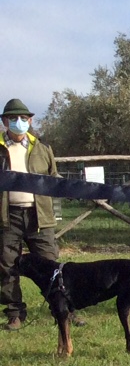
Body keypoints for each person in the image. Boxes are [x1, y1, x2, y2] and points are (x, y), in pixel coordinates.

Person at [0, 99, 60, 331]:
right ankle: (15, 313)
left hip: (40, 216)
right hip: (7, 217)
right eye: (13, 118)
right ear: (5, 121)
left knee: (52, 264)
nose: (18, 123)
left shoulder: (43, 149)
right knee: (6, 266)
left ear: (30, 121)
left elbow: (55, 182)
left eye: (23, 119)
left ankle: (64, 308)